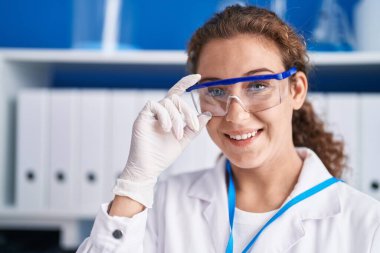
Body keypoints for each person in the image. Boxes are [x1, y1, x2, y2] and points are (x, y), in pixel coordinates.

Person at [77, 5, 380, 253]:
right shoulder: (163, 205)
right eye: (217, 91)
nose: (236, 116)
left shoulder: (366, 225)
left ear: (296, 90)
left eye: (258, 85)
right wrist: (136, 181)